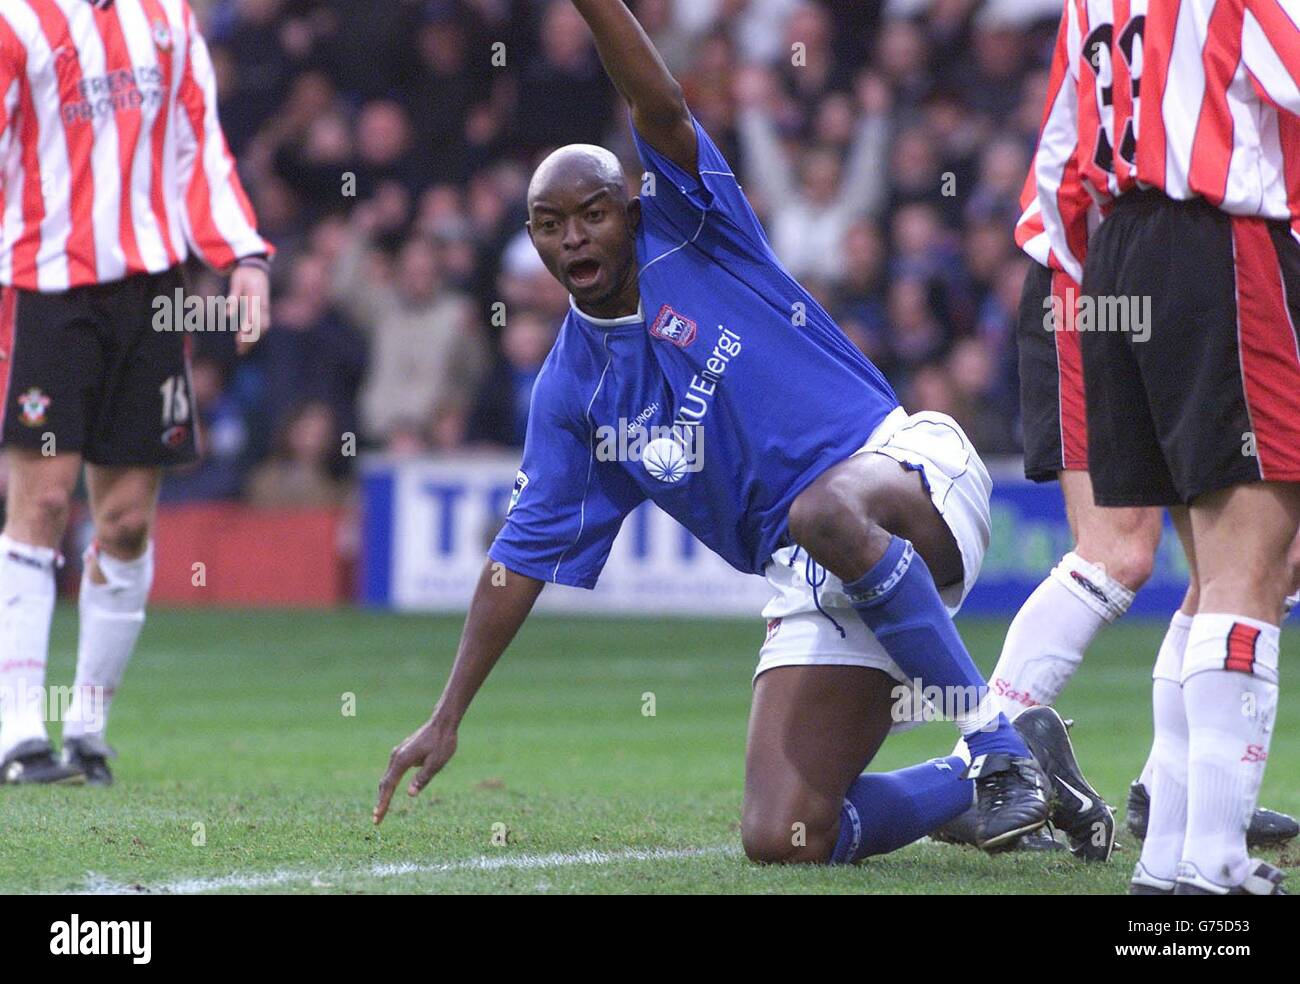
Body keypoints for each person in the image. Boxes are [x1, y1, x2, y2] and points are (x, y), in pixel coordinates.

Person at [374, 0, 1113, 864]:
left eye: (594, 213)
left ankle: (989, 740)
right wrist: (447, 713)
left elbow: (661, 109)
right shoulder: (571, 392)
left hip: (905, 470)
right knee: (787, 832)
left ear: (630, 209)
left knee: (820, 512)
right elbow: (519, 561)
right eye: (550, 224)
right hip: (810, 570)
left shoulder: (695, 230)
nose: (573, 237)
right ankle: (1008, 761)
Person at [934, 2, 1298, 858]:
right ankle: (981, 764)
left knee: (1247, 564)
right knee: (1127, 553)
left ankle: (1171, 802)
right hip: (1098, 273)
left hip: (1115, 258)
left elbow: (1067, 131)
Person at [1047, 0, 1300, 895]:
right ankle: (1218, 861)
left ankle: (1169, 862)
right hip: (1220, 247)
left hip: (1115, 261)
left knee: (1217, 573)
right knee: (1253, 567)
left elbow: (1058, 167)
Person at [0, 0, 272, 786]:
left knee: (123, 522)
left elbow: (198, 141)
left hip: (153, 292)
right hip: (47, 289)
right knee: (45, 505)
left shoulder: (167, 13)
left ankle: (87, 729)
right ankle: (19, 733)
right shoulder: (18, 21)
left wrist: (244, 257)